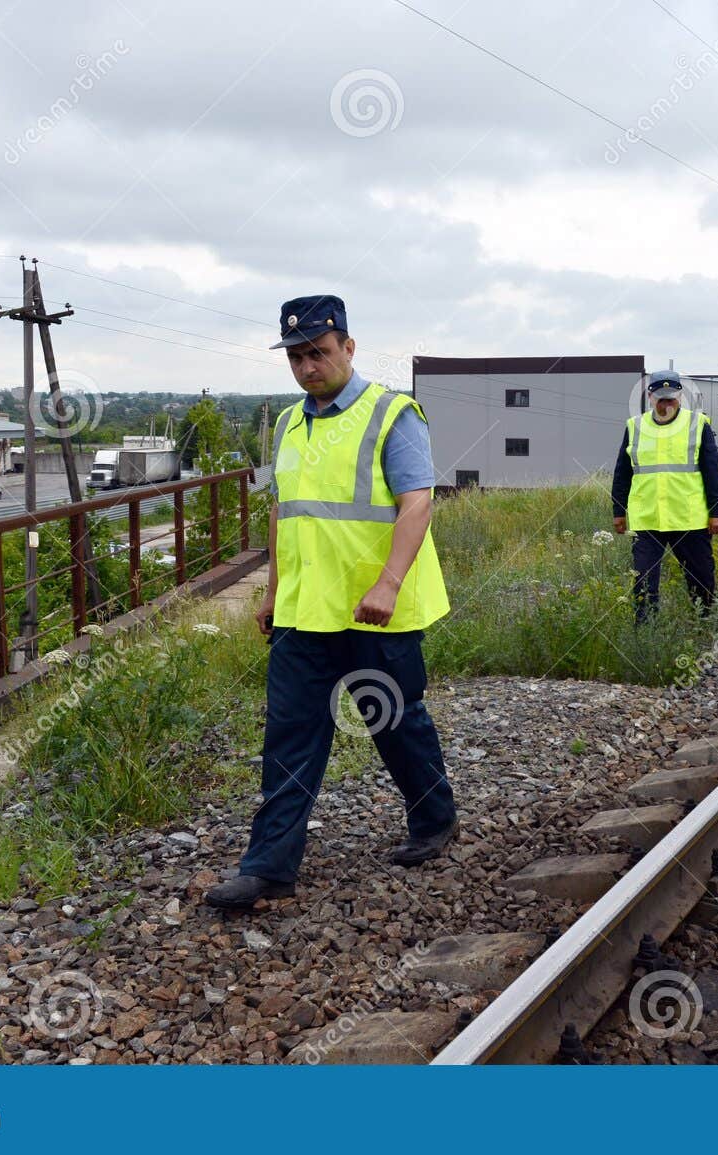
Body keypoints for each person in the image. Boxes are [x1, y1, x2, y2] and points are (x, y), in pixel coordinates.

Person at [205, 295, 457, 913]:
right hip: (302, 613)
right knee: (289, 736)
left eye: (317, 352)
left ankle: (434, 821)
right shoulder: (290, 424)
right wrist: (269, 592)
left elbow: (417, 502)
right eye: (296, 356)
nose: (307, 366)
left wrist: (390, 583)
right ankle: (268, 868)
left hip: (377, 609)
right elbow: (283, 513)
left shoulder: (392, 413)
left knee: (394, 722)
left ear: (348, 346)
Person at [611, 368, 718, 622]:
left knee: (701, 578)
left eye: (671, 398)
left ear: (680, 397)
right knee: (643, 581)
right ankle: (646, 633)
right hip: (647, 519)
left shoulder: (698, 425)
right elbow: (622, 472)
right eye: (661, 398)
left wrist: (717, 511)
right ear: (650, 397)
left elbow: (711, 472)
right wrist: (618, 510)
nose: (666, 403)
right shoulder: (635, 426)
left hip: (688, 518)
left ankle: (706, 624)